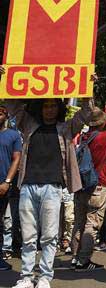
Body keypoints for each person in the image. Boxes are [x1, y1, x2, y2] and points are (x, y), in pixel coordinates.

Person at [7, 94, 95, 288]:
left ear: (59, 108)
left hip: (52, 188)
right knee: (28, 237)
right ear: (40, 107)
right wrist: (4, 79)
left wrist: (88, 91)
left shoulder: (66, 128)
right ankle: (26, 277)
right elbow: (13, 106)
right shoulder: (29, 125)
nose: (49, 109)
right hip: (28, 185)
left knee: (49, 236)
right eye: (46, 105)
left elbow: (86, 114)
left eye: (53, 106)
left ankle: (45, 276)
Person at [70, 107, 106, 271]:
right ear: (103, 122)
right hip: (98, 184)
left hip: (81, 185)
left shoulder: (83, 137)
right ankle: (84, 260)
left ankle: (75, 257)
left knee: (79, 222)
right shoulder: (104, 136)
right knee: (92, 223)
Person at [0, 103, 22, 271]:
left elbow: (16, 159)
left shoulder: (13, 135)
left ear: (6, 116)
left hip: (2, 186)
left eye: (2, 112)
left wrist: (7, 182)